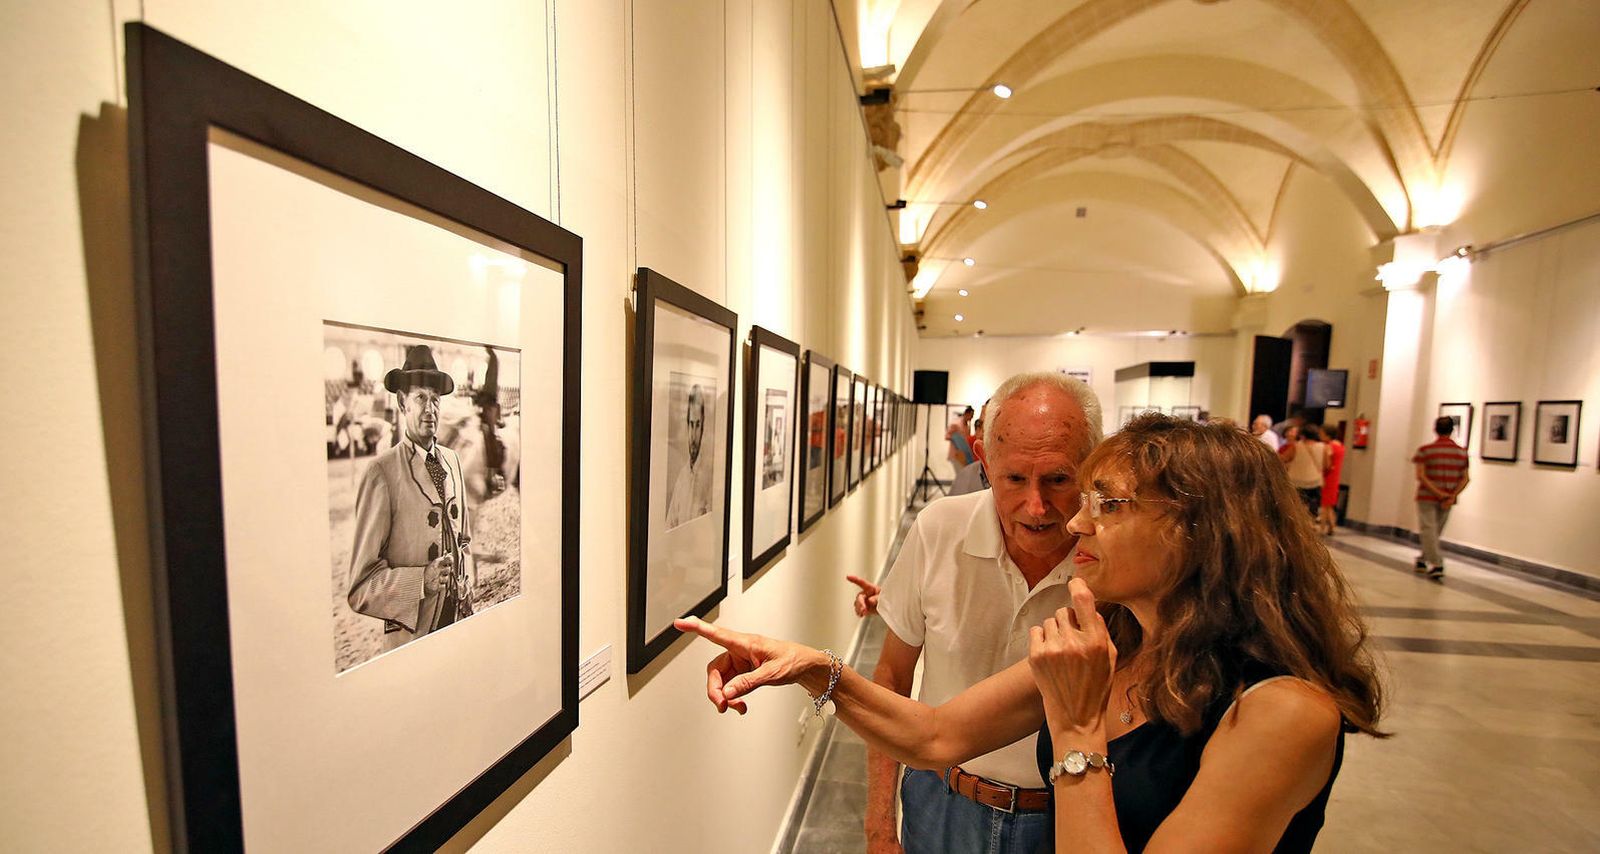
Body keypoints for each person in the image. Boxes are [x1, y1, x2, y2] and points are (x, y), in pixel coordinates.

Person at [681, 414, 1387, 853]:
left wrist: (1078, 730)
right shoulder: (1117, 639)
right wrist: (814, 667)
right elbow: (934, 737)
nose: (1074, 523)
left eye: (1105, 503)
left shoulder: (1280, 711)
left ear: (1202, 526)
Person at [846, 374, 1102, 854]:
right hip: (939, 799)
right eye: (1014, 479)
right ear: (983, 460)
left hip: (1063, 817)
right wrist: (880, 826)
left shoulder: (1113, 558)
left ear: (1092, 466)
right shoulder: (939, 528)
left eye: (1058, 479)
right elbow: (893, 677)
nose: (1036, 505)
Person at [347, 344, 475, 651]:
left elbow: (465, 540)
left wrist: (466, 581)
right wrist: (422, 581)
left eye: (435, 400)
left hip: (457, 622)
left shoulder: (453, 461)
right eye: (421, 398)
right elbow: (361, 588)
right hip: (413, 636)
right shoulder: (382, 473)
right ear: (403, 402)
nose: (430, 409)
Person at [1412, 415, 1469, 581]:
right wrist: (1451, 495)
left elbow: (1421, 475)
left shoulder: (1425, 451)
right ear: (1452, 430)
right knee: (1434, 532)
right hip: (1448, 499)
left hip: (1427, 497)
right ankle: (1423, 559)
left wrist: (1438, 493)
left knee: (1429, 530)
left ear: (1435, 429)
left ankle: (1436, 564)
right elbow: (1465, 478)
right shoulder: (1461, 453)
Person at [665, 384, 711, 527]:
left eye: (697, 425)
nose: (693, 436)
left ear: (702, 428)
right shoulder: (682, 478)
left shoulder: (710, 478)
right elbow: (669, 526)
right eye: (691, 424)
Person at [1280, 424, 1328, 518]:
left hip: (1297, 481)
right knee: (1312, 505)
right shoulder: (1323, 447)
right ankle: (1311, 524)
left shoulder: (1296, 446)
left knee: (1297, 506)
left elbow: (1283, 458)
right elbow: (1326, 465)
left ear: (1302, 435)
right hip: (1315, 481)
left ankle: (1299, 524)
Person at [948, 404, 993, 496]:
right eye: (980, 426)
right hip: (959, 455)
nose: (980, 435)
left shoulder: (966, 426)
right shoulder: (956, 424)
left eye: (988, 427)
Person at [1318, 424, 1346, 536]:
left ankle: (1322, 527)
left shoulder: (1328, 447)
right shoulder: (1340, 446)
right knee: (1329, 504)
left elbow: (1327, 464)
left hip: (1327, 477)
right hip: (1335, 476)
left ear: (1327, 435)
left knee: (1325, 504)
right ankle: (1332, 527)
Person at [947, 405, 977, 469]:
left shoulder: (968, 427)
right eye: (971, 416)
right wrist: (957, 439)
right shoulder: (956, 423)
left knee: (965, 474)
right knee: (961, 474)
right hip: (956, 454)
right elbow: (947, 436)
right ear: (966, 414)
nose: (971, 418)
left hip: (965, 455)